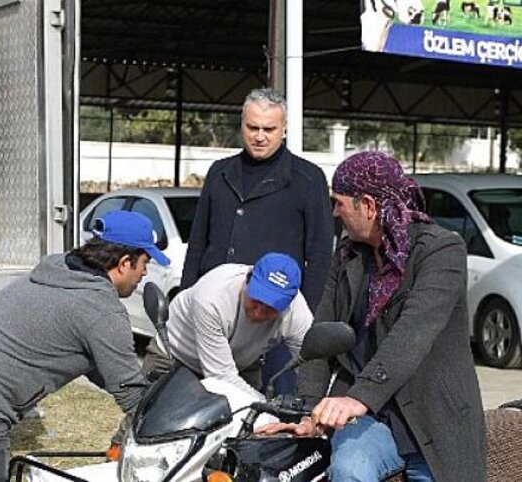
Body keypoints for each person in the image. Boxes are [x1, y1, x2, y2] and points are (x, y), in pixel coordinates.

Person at [258, 152, 486, 482]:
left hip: (435, 416)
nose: (335, 213)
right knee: (349, 469)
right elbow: (322, 335)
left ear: (367, 205)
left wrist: (357, 398)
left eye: (339, 203)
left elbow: (413, 334)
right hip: (372, 419)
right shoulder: (347, 254)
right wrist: (308, 412)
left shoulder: (441, 250)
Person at [0, 210, 167, 481]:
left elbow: (97, 361)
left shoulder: (61, 270)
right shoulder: (101, 308)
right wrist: (169, 425)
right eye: (144, 263)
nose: (145, 273)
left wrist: (137, 383)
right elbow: (130, 394)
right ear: (124, 263)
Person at [179, 88, 333, 394]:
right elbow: (198, 242)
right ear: (242, 125)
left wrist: (299, 317)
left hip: (271, 318)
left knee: (268, 405)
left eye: (269, 129)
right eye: (253, 127)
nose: (260, 136)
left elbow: (320, 257)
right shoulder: (220, 173)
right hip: (214, 314)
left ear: (284, 129)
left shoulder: (308, 179)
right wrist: (187, 293)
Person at [165, 252, 313, 397]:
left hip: (240, 364)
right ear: (247, 279)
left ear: (290, 303)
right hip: (178, 356)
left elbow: (312, 369)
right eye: (257, 299)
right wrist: (265, 406)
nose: (259, 313)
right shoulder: (212, 297)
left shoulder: (298, 313)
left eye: (271, 307)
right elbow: (221, 379)